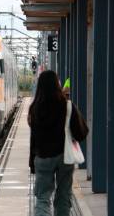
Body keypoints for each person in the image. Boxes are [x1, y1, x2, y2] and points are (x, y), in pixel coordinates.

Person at [28, 71, 88, 216]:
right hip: (64, 157)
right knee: (63, 196)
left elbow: (33, 139)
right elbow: (82, 132)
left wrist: (32, 162)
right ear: (57, 84)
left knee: (42, 198)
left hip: (42, 157)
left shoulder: (34, 108)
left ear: (40, 87)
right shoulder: (67, 106)